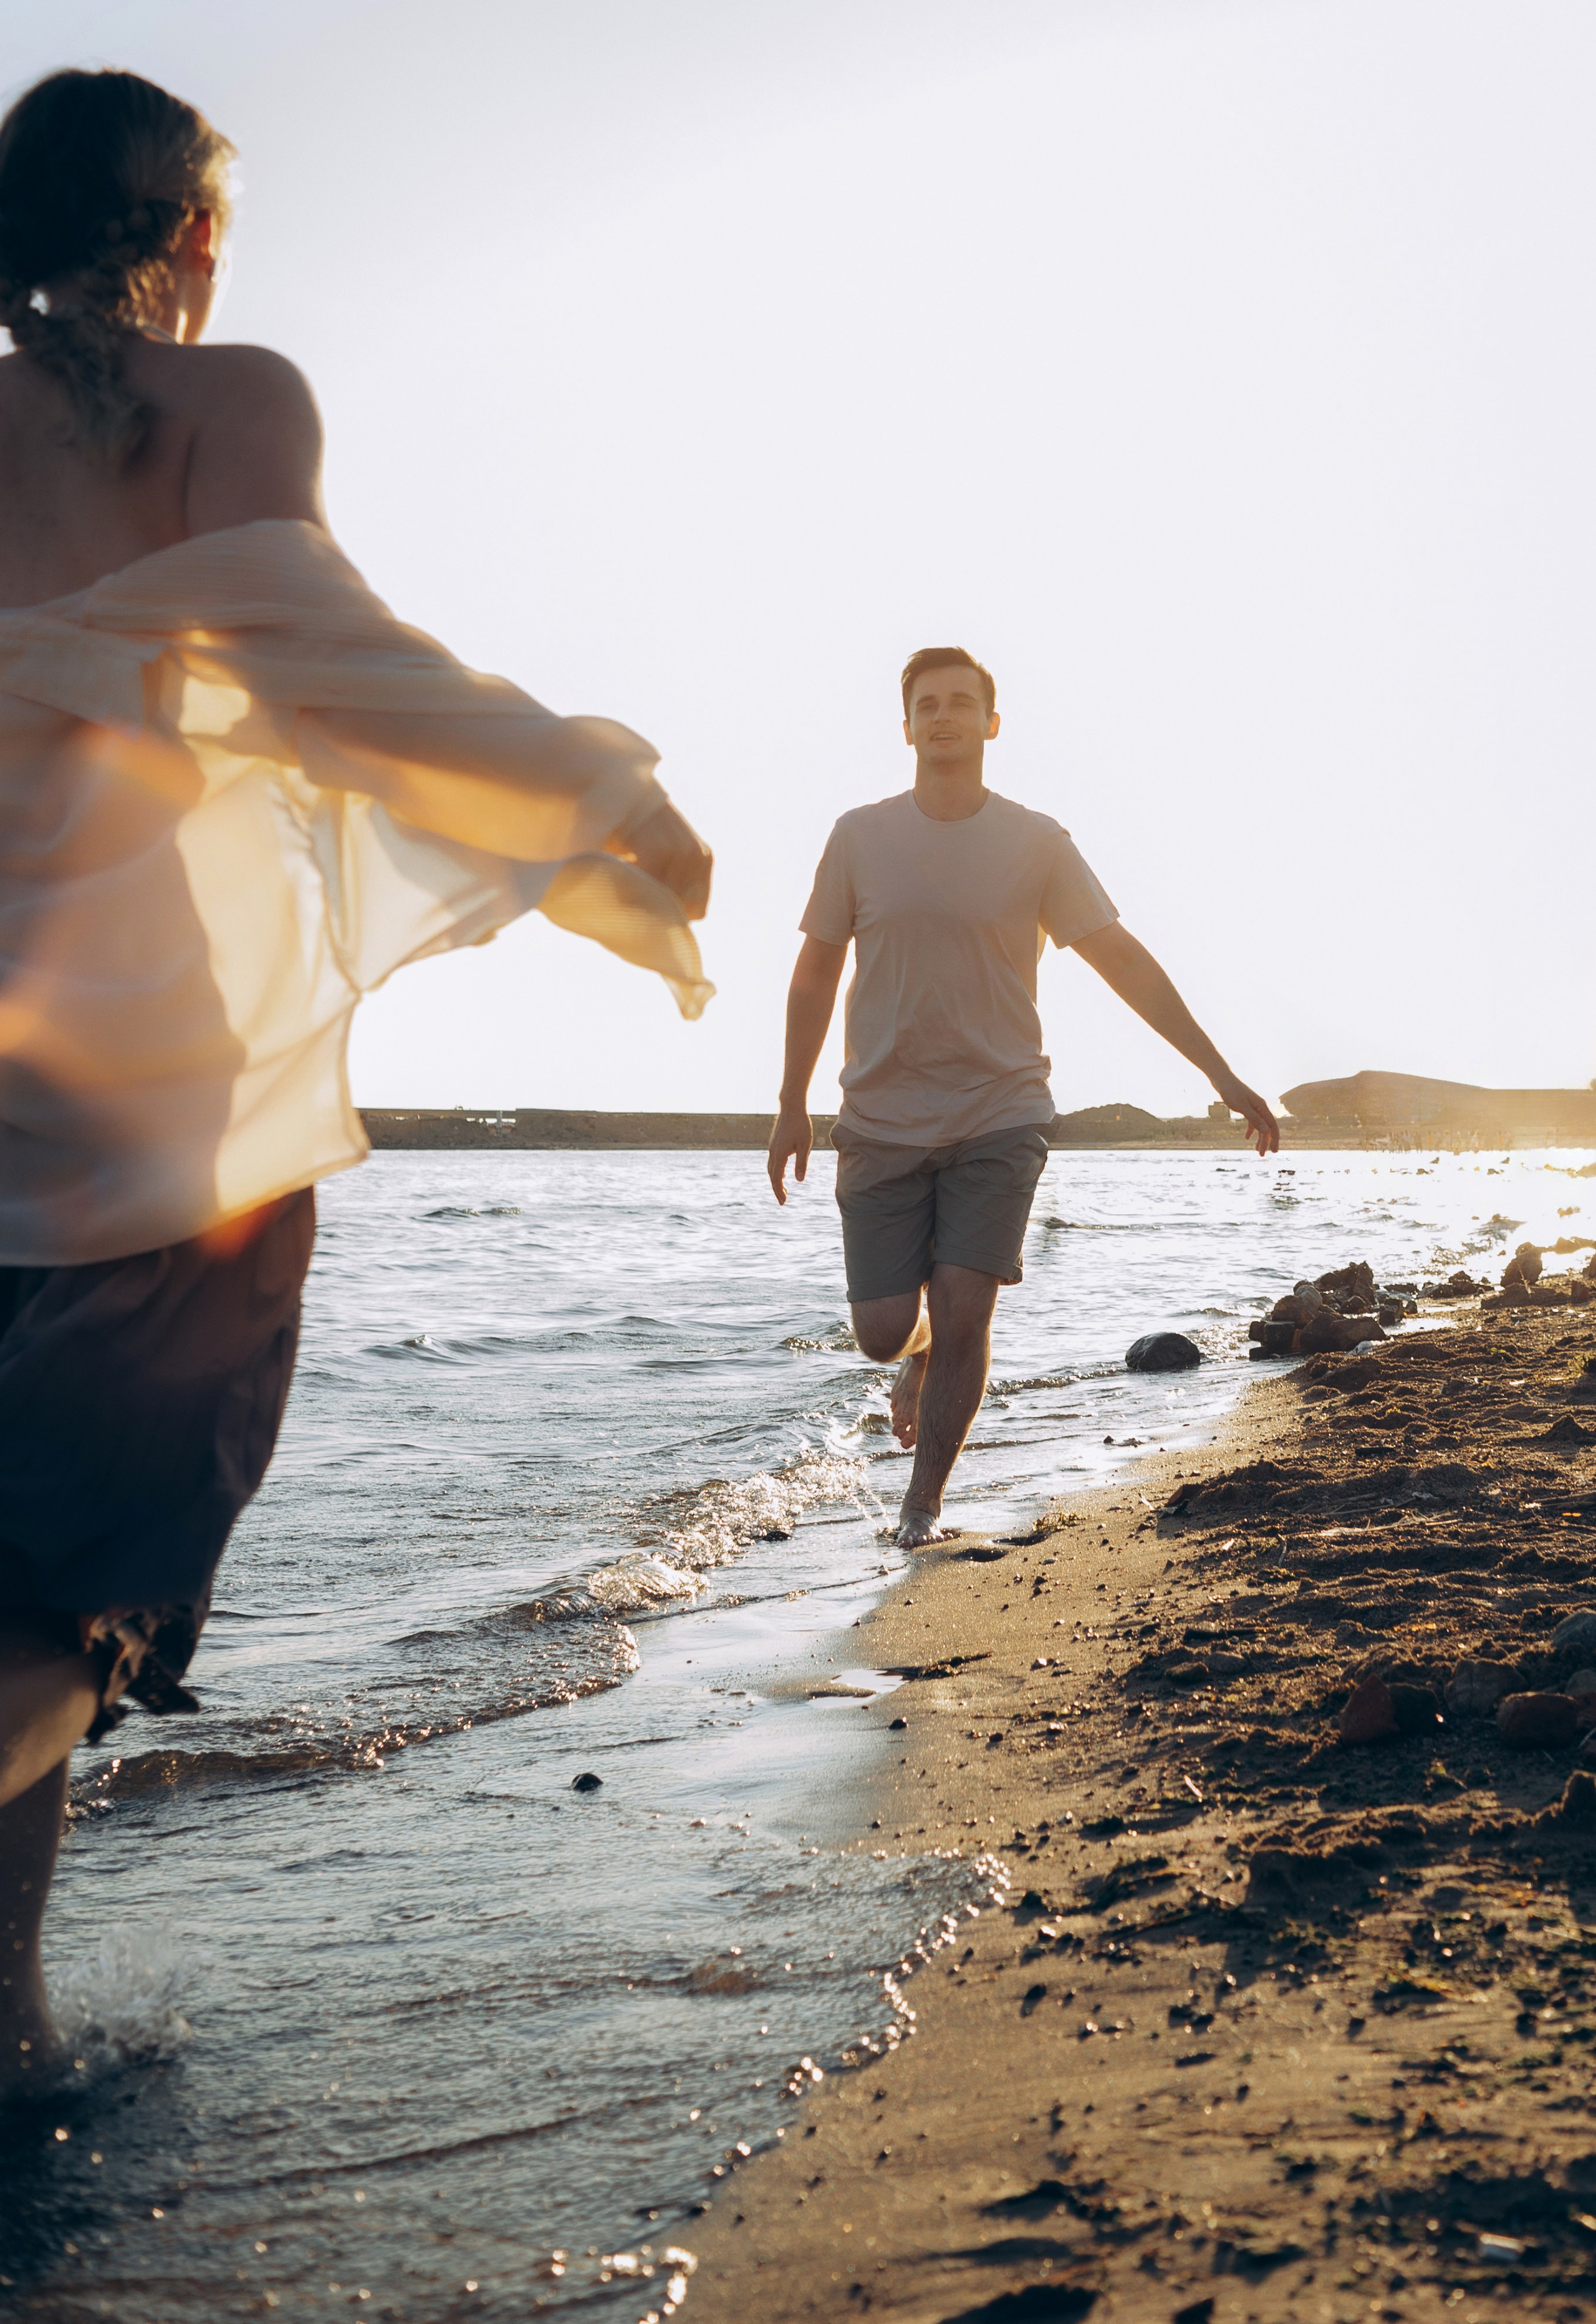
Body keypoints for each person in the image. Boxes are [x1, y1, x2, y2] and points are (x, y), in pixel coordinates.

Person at [0, 67, 714, 2095]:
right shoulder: (225, 402)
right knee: (67, 1585)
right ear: (189, 237)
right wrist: (601, 799)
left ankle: (10, 2023)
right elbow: (330, 655)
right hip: (150, 1107)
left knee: (19, 1582)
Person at [767, 645, 1276, 1550]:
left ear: (992, 724)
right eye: (928, 705)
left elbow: (1122, 960)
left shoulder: (1037, 843)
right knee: (883, 1332)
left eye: (961, 702)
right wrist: (790, 1102)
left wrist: (1220, 1074)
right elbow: (814, 974)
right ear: (907, 728)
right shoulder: (859, 838)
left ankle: (920, 1510)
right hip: (880, 1118)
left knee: (968, 1309)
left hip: (1000, 1113)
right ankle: (917, 1354)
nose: (945, 716)